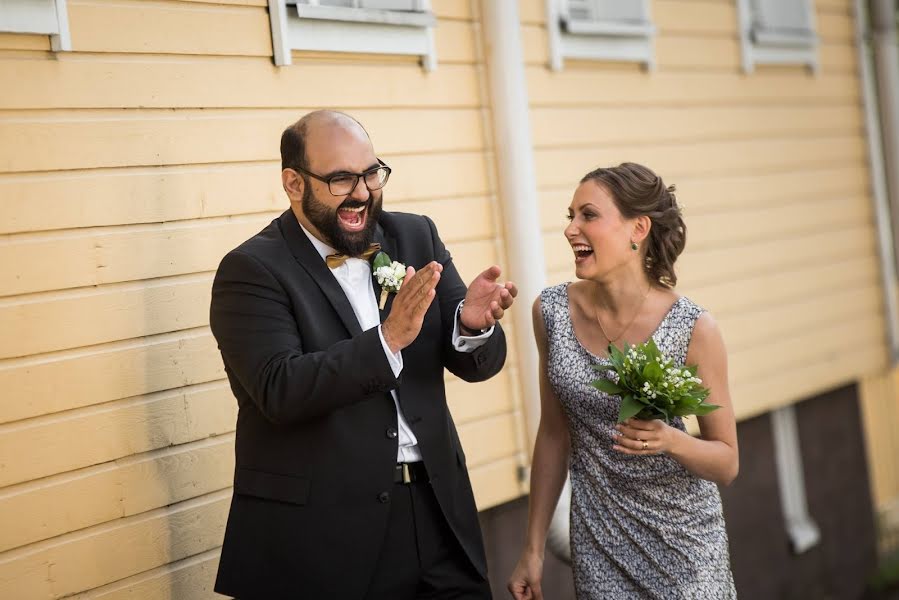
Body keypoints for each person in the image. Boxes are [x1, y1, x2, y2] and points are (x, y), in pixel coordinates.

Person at [210, 110, 517, 599]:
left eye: (372, 173)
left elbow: (477, 365)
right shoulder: (251, 269)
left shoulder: (415, 235)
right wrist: (386, 340)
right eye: (340, 179)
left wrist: (470, 325)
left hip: (439, 512)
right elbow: (279, 390)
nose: (362, 192)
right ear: (293, 183)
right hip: (325, 535)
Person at [507, 163, 738, 599]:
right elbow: (554, 434)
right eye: (570, 216)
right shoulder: (551, 313)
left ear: (638, 228)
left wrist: (669, 439)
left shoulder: (694, 328)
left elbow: (727, 462)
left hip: (684, 548)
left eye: (588, 215)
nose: (571, 229)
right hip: (599, 545)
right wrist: (532, 550)